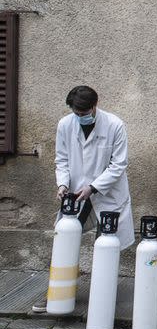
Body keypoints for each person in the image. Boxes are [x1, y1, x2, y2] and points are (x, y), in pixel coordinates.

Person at [32, 86, 135, 313]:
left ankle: (102, 300)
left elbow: (118, 165)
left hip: (107, 195)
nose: (80, 117)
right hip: (77, 194)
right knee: (64, 241)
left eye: (84, 113)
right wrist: (62, 184)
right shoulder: (65, 125)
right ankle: (56, 294)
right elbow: (62, 160)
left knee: (105, 247)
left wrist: (94, 187)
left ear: (94, 106)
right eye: (76, 114)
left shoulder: (115, 125)